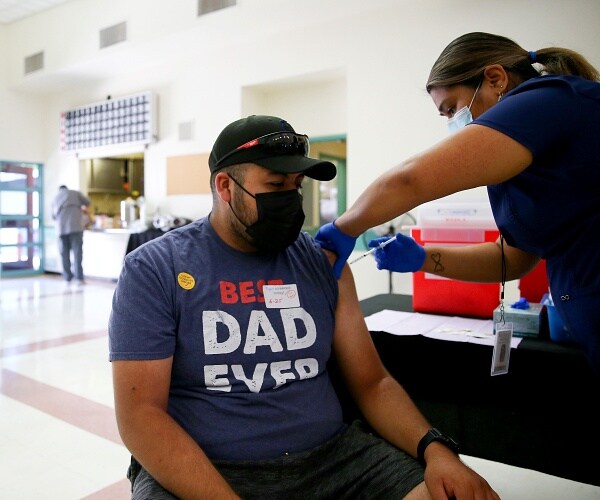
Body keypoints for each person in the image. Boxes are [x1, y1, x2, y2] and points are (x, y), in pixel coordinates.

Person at [109, 115, 499, 499]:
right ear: (225, 186)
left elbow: (372, 381)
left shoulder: (322, 263)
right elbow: (141, 416)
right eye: (276, 184)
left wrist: (436, 450)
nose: (291, 199)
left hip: (334, 461)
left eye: (296, 186)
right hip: (206, 468)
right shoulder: (155, 269)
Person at [315, 32, 600, 378]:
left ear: (495, 79)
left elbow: (409, 180)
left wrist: (343, 228)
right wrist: (422, 258)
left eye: (452, 108)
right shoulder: (521, 163)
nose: (454, 123)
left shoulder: (547, 102)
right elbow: (512, 259)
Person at [51, 184, 90, 286]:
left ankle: (67, 278)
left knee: (64, 254)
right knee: (77, 254)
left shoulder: (55, 198)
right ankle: (79, 279)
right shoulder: (75, 193)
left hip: (61, 229)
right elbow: (87, 202)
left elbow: (53, 216)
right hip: (75, 227)